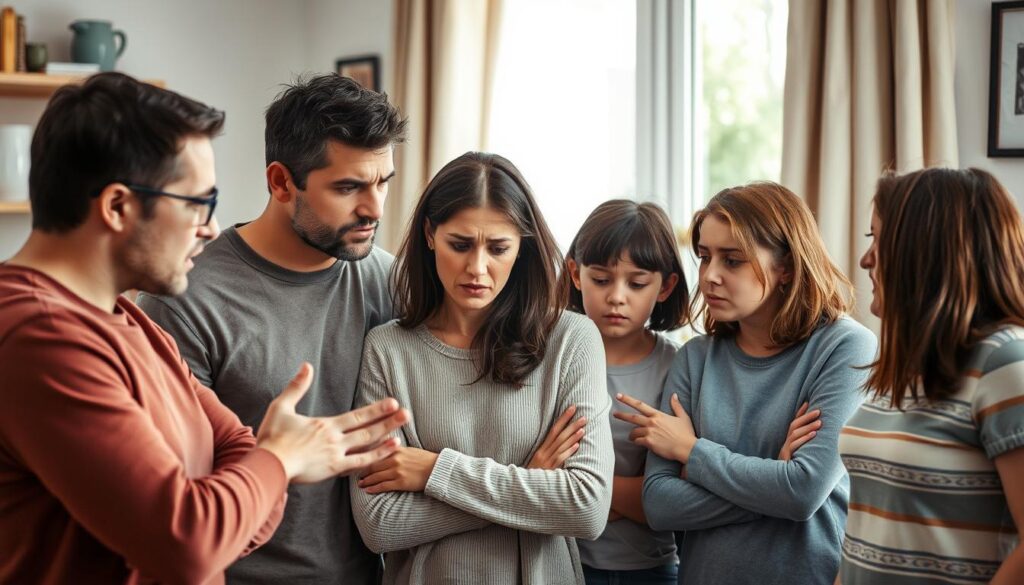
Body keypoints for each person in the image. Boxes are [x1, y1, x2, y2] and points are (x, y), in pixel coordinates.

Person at [0, 72, 409, 585]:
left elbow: (235, 453)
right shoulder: (41, 337)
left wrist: (252, 476)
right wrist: (278, 460)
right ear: (118, 207)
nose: (211, 227)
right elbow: (189, 541)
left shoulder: (125, 319)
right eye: (196, 203)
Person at [137, 74, 408, 584]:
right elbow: (170, 490)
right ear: (282, 182)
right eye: (348, 187)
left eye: (382, 182)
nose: (374, 208)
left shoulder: (390, 281)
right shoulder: (186, 298)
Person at [349, 152, 615, 585]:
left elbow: (586, 507)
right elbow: (380, 524)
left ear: (522, 245)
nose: (477, 268)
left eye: (498, 248)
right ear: (430, 234)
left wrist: (435, 472)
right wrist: (530, 482)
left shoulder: (572, 339)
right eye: (460, 245)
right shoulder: (388, 349)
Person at [619, 182, 877, 585]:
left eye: (733, 260)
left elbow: (803, 492)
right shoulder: (695, 358)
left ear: (786, 266)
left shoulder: (846, 346)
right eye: (705, 257)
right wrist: (776, 478)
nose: (710, 276)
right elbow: (659, 504)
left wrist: (692, 452)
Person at [839, 168, 1024, 584]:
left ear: (925, 249)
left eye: (878, 240)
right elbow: (865, 537)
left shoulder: (1005, 362)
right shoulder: (905, 367)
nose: (866, 259)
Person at [562, 199, 688, 584]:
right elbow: (531, 471)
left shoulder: (679, 367)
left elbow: (672, 496)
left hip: (651, 569)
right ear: (576, 274)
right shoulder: (552, 357)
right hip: (562, 564)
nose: (617, 296)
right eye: (601, 280)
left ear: (666, 286)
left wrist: (585, 489)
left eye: (636, 284)